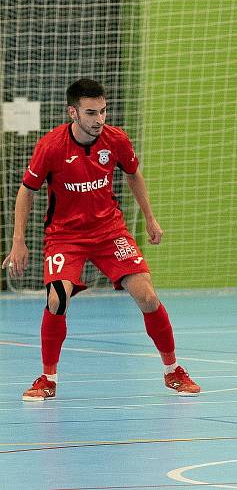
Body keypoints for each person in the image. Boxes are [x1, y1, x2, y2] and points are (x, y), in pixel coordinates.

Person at [1, 78, 200, 401]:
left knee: (147, 296)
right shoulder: (51, 146)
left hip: (110, 232)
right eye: (91, 113)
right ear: (73, 113)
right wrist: (18, 240)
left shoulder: (115, 140)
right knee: (57, 300)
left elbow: (133, 173)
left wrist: (149, 217)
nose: (99, 120)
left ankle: (173, 370)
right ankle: (47, 378)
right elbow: (27, 190)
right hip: (66, 237)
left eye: (103, 111)